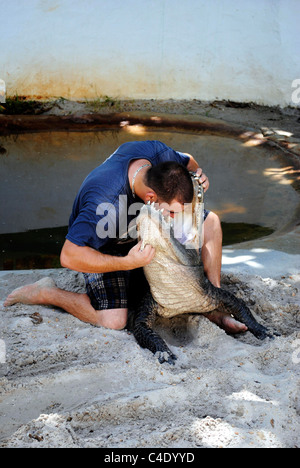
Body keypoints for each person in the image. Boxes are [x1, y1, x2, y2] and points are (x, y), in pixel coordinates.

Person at [4, 140, 247, 335]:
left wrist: (198, 178)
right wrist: (127, 263)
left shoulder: (160, 156)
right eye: (171, 213)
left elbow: (190, 161)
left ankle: (212, 302)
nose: (174, 219)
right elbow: (69, 255)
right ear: (151, 197)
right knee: (113, 321)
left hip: (140, 228)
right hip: (109, 244)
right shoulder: (105, 204)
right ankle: (47, 293)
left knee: (211, 221)